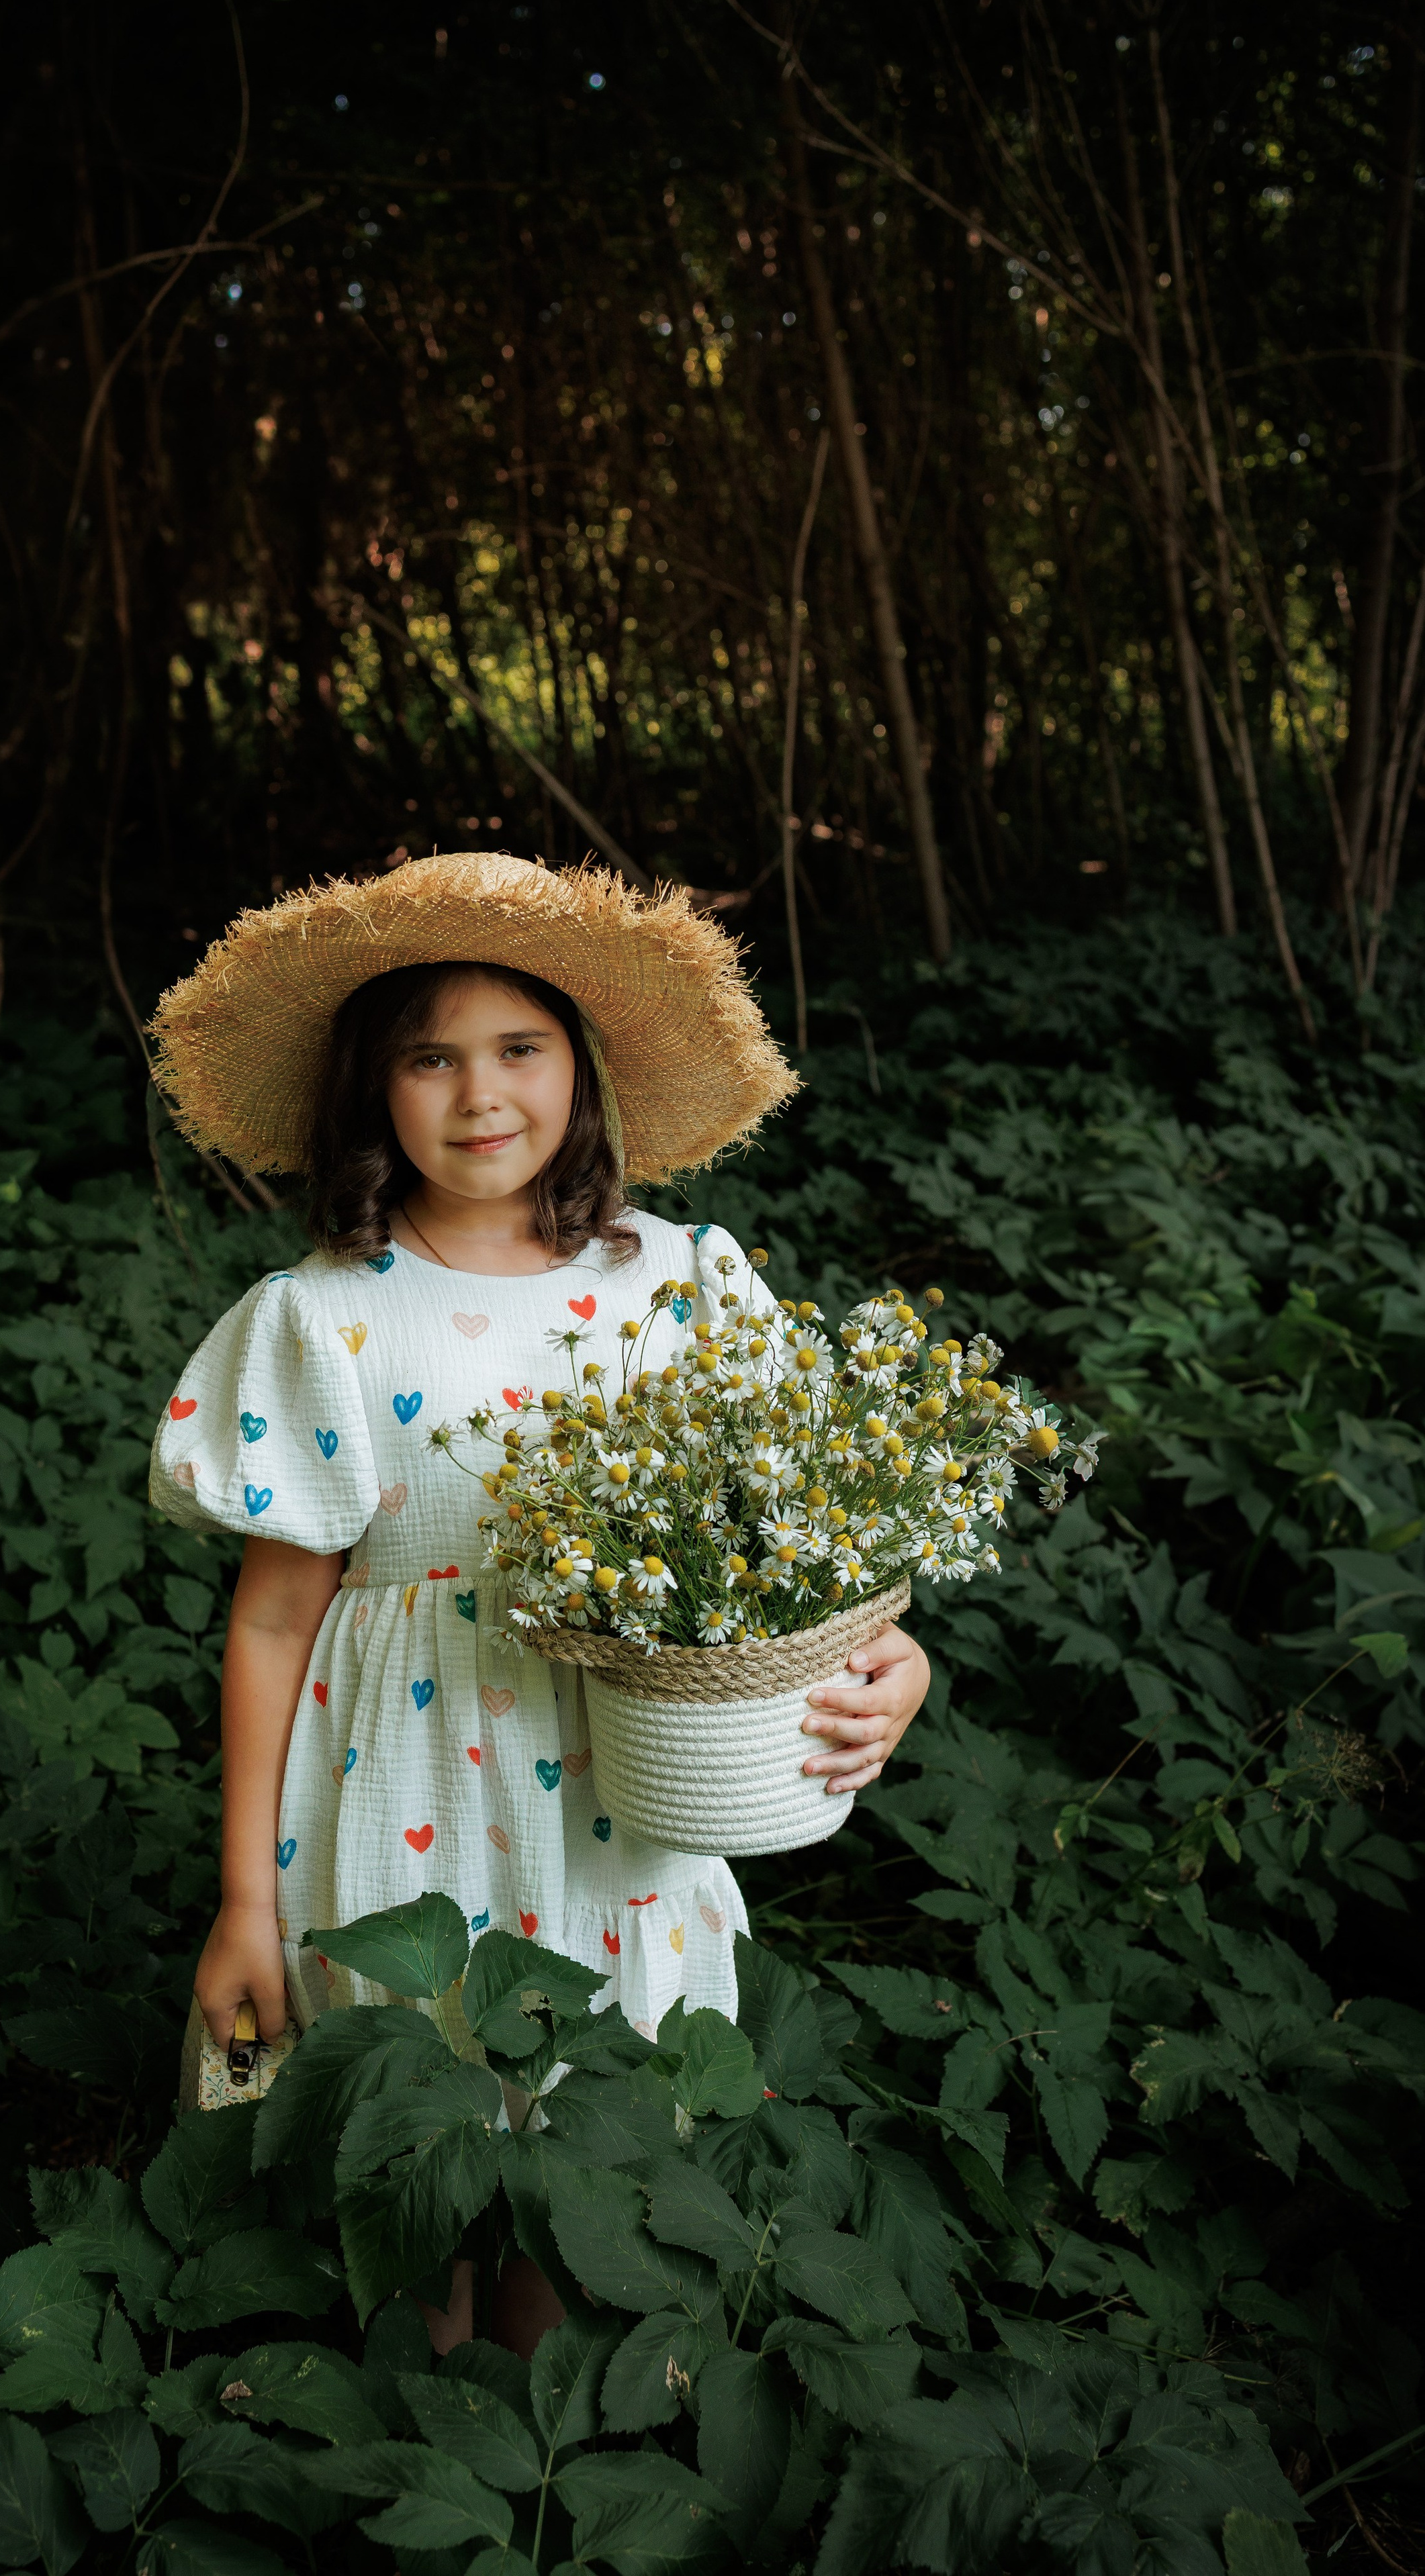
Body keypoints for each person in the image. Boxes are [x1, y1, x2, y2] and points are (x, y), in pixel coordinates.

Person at [148, 849, 931, 2352]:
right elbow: (268, 1621)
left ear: (579, 1067)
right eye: (427, 1057)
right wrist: (245, 1899)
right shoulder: (324, 1317)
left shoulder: (682, 1286)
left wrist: (894, 1661)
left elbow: (797, 1549)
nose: (478, 1094)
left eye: (519, 1049)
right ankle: (429, 2432)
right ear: (370, 1089)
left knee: (596, 2168)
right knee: (418, 2174)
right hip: (395, 1793)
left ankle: (550, 2447)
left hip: (621, 1807)